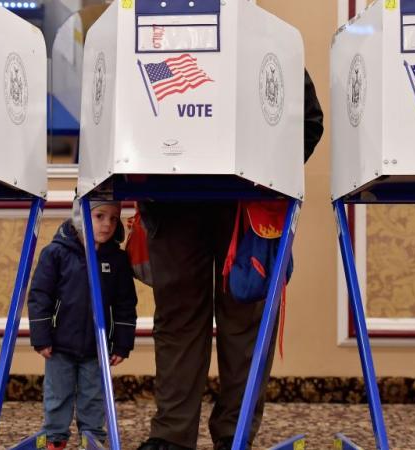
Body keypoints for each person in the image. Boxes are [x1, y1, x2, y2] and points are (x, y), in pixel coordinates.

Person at [136, 70, 324, 450]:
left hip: (243, 202)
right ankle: (172, 436)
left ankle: (234, 437)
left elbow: (307, 120)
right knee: (179, 320)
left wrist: (269, 178)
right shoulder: (155, 40)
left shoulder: (262, 38)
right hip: (172, 197)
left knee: (245, 322)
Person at [27, 200, 138, 450]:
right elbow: (39, 296)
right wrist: (41, 337)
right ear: (80, 216)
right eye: (99, 216)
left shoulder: (117, 260)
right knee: (58, 395)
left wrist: (122, 343)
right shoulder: (56, 253)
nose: (107, 225)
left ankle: (92, 438)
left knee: (93, 397)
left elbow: (125, 304)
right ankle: (54, 438)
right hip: (59, 345)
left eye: (113, 218)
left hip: (97, 348)